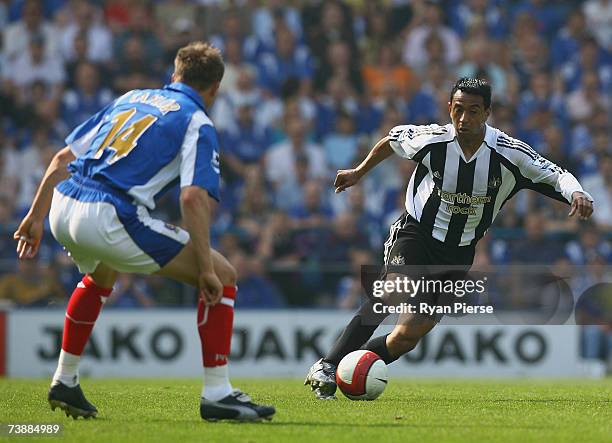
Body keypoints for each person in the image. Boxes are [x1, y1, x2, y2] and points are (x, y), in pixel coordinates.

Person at [13, 42, 275, 421]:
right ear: (215, 88)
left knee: (101, 274)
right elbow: (193, 199)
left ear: (174, 75)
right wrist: (204, 266)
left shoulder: (132, 98)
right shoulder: (196, 120)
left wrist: (35, 216)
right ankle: (218, 393)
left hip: (63, 204)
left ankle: (64, 379)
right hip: (107, 212)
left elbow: (61, 158)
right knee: (223, 274)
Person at [304, 77, 594, 399]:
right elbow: (392, 140)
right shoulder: (433, 139)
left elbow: (554, 173)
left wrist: (576, 192)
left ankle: (353, 368)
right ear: (449, 108)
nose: (463, 119)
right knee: (394, 289)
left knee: (407, 334)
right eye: (458, 110)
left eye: (473, 111)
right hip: (416, 234)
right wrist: (358, 172)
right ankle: (328, 365)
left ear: (487, 112)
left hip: (458, 253)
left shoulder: (509, 155)